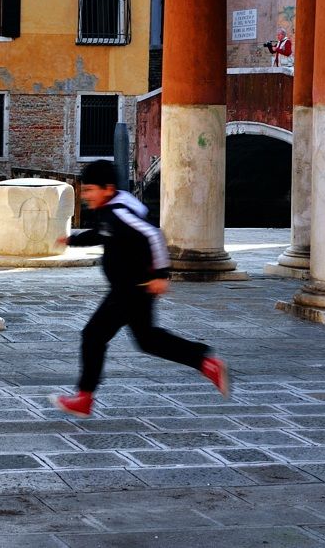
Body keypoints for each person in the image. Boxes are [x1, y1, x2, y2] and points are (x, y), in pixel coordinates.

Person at [51, 160, 229, 418]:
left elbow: (153, 236)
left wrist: (161, 274)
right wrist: (73, 239)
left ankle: (84, 397)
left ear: (108, 189)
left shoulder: (119, 212)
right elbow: (103, 233)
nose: (85, 195)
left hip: (131, 288)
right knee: (149, 340)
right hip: (133, 287)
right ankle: (206, 363)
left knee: (93, 335)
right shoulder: (110, 209)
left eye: (89, 190)